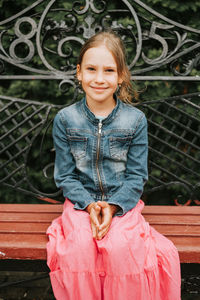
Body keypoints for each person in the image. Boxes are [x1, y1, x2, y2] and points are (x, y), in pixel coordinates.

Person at [46, 30, 181, 300]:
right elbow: (64, 176)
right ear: (79, 73)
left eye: (108, 70)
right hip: (79, 203)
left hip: (123, 203)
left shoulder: (135, 120)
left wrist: (113, 206)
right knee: (79, 247)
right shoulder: (65, 119)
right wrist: (89, 204)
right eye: (91, 69)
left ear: (120, 76)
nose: (99, 78)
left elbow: (136, 176)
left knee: (121, 249)